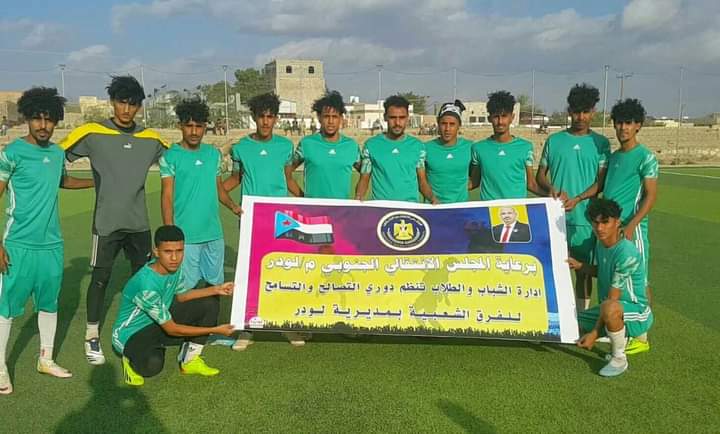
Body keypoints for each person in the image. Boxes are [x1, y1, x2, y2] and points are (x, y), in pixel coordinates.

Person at [61, 75, 168, 366]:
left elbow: (179, 159)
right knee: (100, 279)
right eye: (122, 102)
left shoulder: (151, 139)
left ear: (139, 107)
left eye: (133, 104)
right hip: (106, 224)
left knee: (144, 280)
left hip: (139, 224)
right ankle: (91, 335)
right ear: (112, 102)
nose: (127, 109)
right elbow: (54, 157)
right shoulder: (92, 133)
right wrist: (86, 183)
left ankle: (139, 330)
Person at [0, 87, 94, 395]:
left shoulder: (56, 153)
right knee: (6, 307)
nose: (43, 125)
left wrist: (97, 182)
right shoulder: (12, 153)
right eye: (37, 119)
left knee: (49, 304)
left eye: (49, 119)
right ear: (27, 119)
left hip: (52, 244)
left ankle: (46, 359)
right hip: (18, 244)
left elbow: (63, 181)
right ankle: (0, 368)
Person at [223, 92, 305, 348]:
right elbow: (235, 179)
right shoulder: (241, 148)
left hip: (281, 220)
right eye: (262, 116)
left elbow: (288, 179)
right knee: (251, 274)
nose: (266, 121)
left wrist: (306, 200)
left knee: (282, 271)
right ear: (254, 118)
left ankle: (284, 325)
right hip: (251, 220)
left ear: (276, 119)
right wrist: (213, 192)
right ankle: (247, 328)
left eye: (271, 117)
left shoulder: (285, 147)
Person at [111, 226, 235, 386]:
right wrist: (214, 330)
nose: (174, 258)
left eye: (179, 251)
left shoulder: (174, 269)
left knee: (209, 303)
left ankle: (190, 360)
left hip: (157, 323)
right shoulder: (146, 285)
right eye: (168, 252)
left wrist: (216, 289)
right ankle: (129, 360)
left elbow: (182, 296)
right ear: (156, 251)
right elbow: (172, 329)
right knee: (152, 366)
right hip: (130, 335)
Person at [536, 84, 611, 311]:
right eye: (576, 111)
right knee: (552, 269)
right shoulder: (554, 141)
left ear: (593, 112)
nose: (581, 117)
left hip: (585, 220)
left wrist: (578, 199)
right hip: (555, 218)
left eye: (585, 111)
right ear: (569, 111)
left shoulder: (601, 143)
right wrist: (551, 188)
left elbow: (600, 182)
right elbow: (540, 175)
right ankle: (555, 317)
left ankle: (581, 317)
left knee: (583, 272)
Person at [159, 98, 241, 292]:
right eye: (189, 126)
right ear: (180, 126)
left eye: (199, 126)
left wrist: (233, 207)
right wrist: (170, 232)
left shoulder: (213, 155)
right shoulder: (170, 156)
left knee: (215, 285)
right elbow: (167, 196)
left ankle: (211, 314)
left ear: (205, 127)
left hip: (213, 234)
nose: (194, 132)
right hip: (186, 235)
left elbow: (218, 188)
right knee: (186, 289)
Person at [569, 198, 653, 377]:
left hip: (637, 312)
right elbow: (602, 270)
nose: (599, 228)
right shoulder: (602, 244)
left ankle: (619, 358)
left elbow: (613, 298)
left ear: (617, 222)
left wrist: (594, 333)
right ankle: (614, 333)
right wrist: (579, 265)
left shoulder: (626, 252)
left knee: (609, 308)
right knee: (570, 325)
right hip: (609, 308)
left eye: (605, 222)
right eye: (595, 223)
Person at [603, 98, 657, 354]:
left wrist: (633, 224)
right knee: (614, 280)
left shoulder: (646, 157)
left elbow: (651, 195)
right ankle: (620, 329)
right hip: (611, 232)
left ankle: (642, 337)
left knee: (640, 280)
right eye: (619, 122)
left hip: (632, 231)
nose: (623, 127)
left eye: (629, 123)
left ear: (638, 126)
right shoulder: (614, 157)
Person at [355, 94, 434, 203]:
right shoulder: (371, 145)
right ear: (385, 117)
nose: (397, 123)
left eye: (402, 118)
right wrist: (357, 200)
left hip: (409, 208)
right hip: (382, 208)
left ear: (407, 118)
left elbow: (422, 182)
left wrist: (433, 200)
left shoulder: (418, 146)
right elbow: (364, 179)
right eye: (393, 118)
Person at [285, 91, 361, 199]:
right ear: (319, 117)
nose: (330, 121)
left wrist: (358, 198)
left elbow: (366, 173)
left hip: (341, 209)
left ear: (341, 118)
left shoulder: (351, 146)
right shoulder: (307, 143)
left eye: (334, 117)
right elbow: (285, 173)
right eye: (326, 116)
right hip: (313, 209)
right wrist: (303, 198)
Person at [470, 91, 544, 200]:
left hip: (516, 209)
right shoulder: (478, 148)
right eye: (496, 116)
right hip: (489, 209)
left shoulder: (525, 147)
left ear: (512, 117)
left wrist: (552, 196)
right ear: (489, 118)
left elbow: (531, 184)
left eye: (504, 116)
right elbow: (474, 182)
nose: (500, 121)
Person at [424, 100, 474, 203]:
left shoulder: (470, 147)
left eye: (452, 124)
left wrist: (459, 190)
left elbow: (477, 176)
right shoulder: (426, 148)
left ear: (459, 125)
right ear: (438, 124)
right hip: (434, 208)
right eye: (444, 124)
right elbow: (420, 180)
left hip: (460, 207)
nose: (447, 128)